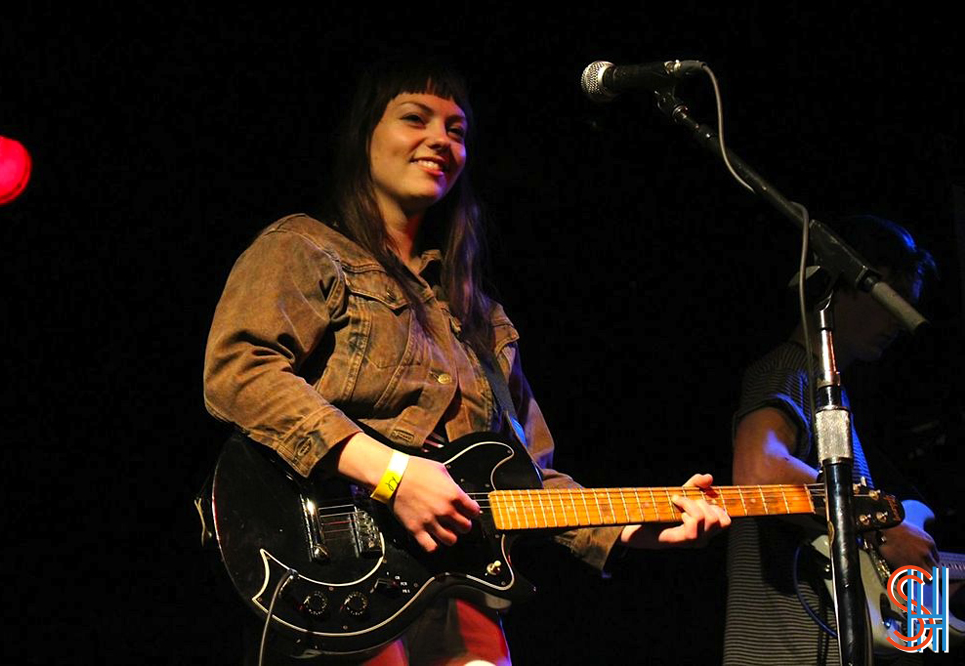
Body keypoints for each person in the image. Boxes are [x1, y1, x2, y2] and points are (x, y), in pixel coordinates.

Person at [204, 60, 730, 665]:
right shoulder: (304, 246)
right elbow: (239, 371)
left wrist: (639, 526)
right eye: (415, 118)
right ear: (364, 136)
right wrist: (393, 474)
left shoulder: (480, 316)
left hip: (454, 585)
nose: (440, 140)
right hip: (332, 568)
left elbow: (531, 476)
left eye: (456, 129)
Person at [722, 215, 940, 665]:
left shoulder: (830, 401)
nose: (898, 324)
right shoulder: (786, 369)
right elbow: (757, 471)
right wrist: (882, 525)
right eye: (890, 302)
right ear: (844, 287)